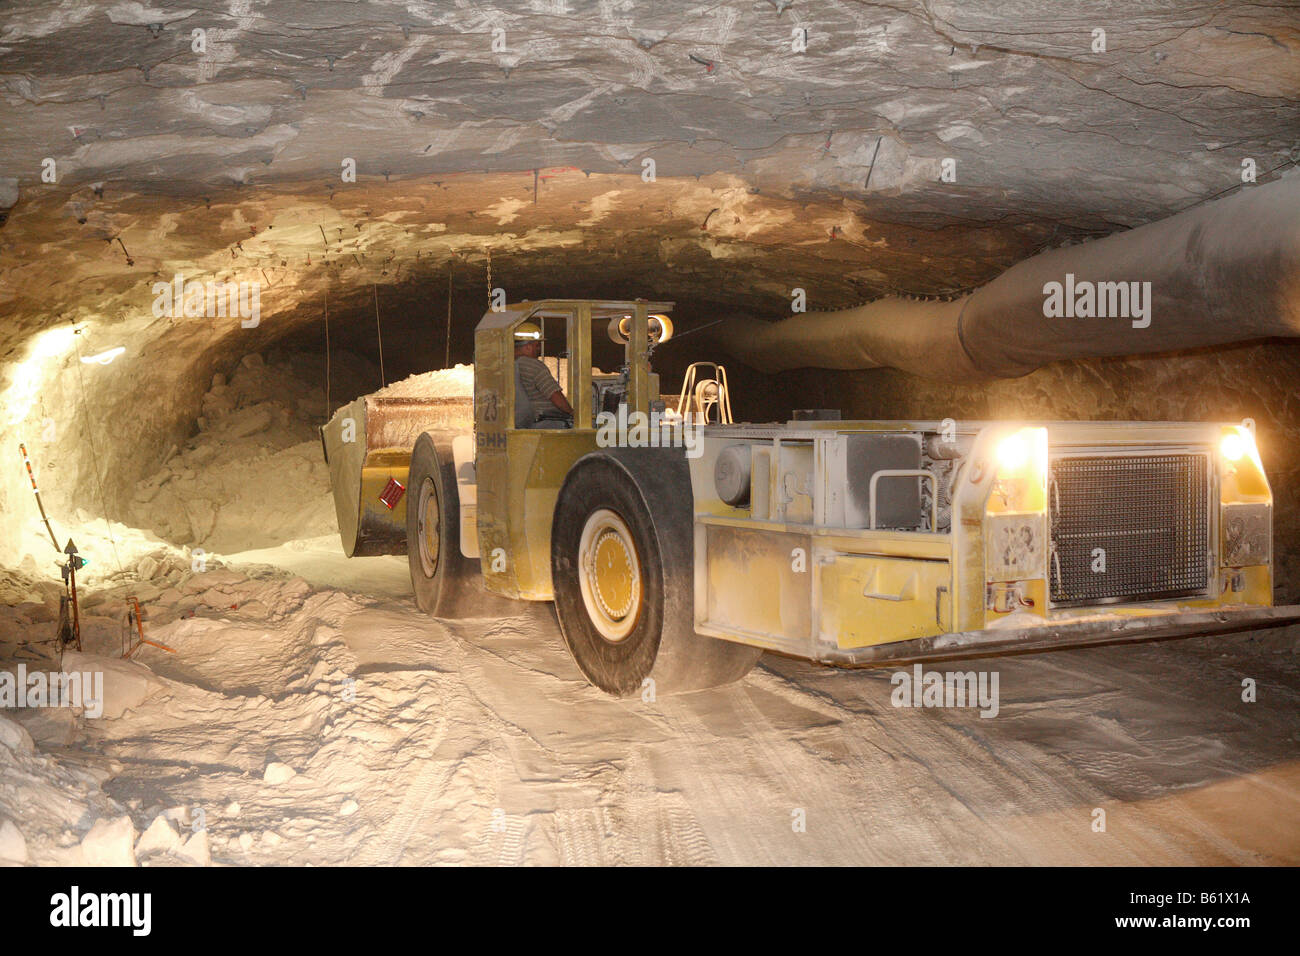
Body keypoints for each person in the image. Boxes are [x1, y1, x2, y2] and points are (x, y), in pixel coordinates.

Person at [513, 321, 574, 428]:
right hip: (547, 419)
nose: (539, 349)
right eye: (537, 346)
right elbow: (555, 396)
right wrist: (573, 413)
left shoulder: (509, 364)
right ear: (528, 346)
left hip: (524, 422)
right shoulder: (533, 365)